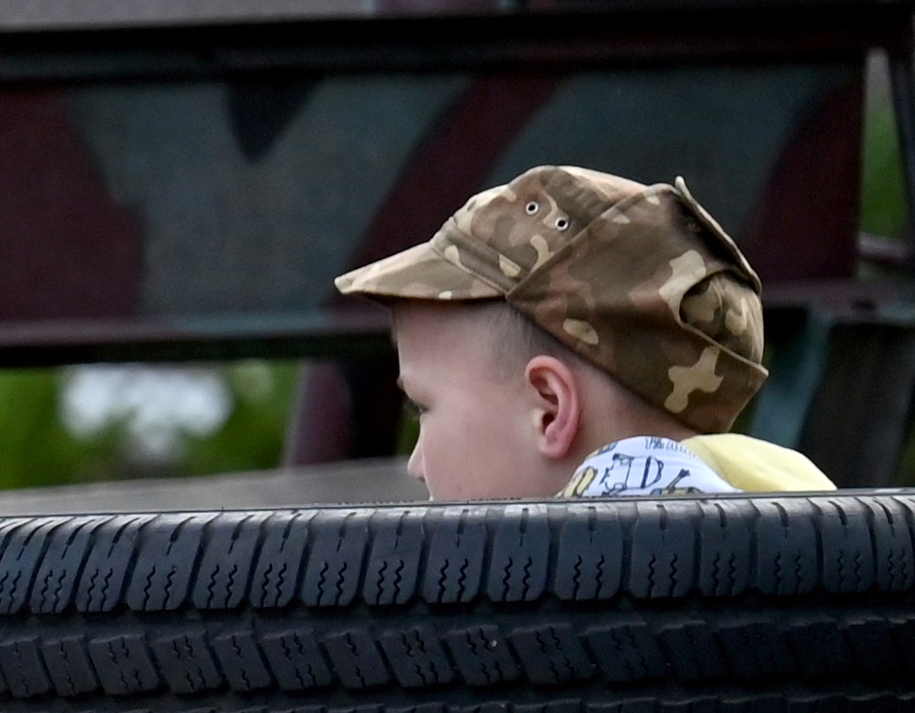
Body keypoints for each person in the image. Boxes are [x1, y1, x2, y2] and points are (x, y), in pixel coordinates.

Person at [338, 164, 839, 503]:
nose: (416, 465)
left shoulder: (565, 615)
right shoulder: (804, 525)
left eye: (424, 408)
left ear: (550, 408)